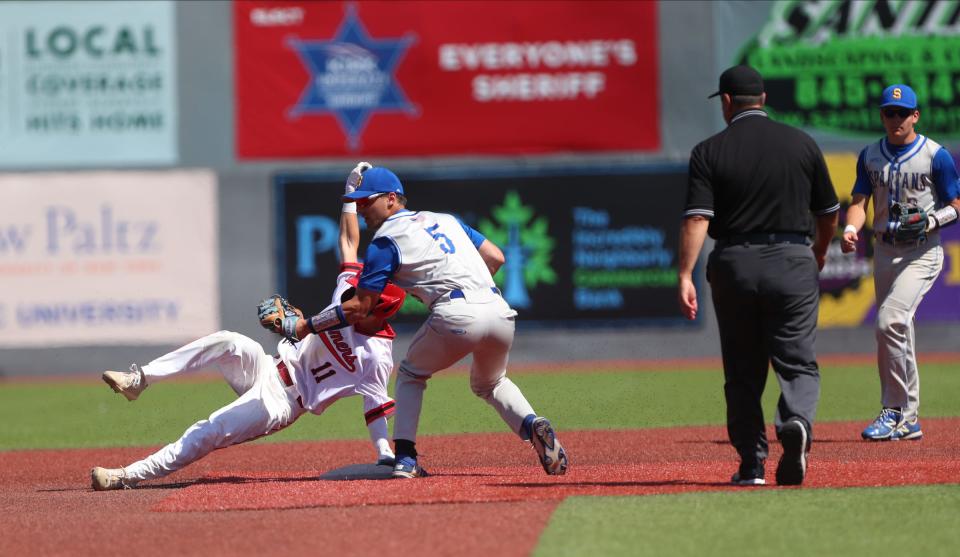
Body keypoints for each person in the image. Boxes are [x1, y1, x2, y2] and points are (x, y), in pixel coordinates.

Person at [90, 163, 404, 490]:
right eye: (356, 293)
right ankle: (140, 379)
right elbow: (348, 241)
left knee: (208, 430)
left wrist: (384, 455)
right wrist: (350, 195)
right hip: (269, 366)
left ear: (379, 312)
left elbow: (375, 408)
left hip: (282, 402)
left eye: (361, 302)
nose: (353, 299)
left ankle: (126, 476)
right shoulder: (351, 287)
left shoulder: (377, 356)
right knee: (229, 341)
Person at [280, 165, 568, 479]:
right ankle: (531, 423)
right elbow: (496, 257)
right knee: (490, 383)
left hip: (457, 314)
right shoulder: (446, 219)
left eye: (367, 201)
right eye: (358, 203)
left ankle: (404, 458)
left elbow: (360, 308)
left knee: (410, 374)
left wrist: (306, 326)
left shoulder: (385, 241)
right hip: (499, 311)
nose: (362, 208)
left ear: (391, 199)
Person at [678, 65, 840, 486]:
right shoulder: (802, 143)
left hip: (735, 263)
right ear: (763, 100)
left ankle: (752, 463)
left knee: (743, 369)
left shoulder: (709, 151)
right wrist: (819, 250)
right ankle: (797, 420)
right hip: (792, 258)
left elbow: (697, 219)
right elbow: (828, 212)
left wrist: (684, 274)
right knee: (797, 362)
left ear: (727, 102)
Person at [841, 84, 960, 442]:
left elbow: (956, 205)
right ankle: (909, 420)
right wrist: (850, 226)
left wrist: (931, 220)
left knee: (889, 320)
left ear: (915, 116)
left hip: (922, 251)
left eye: (903, 113)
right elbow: (859, 201)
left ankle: (893, 410)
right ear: (882, 115)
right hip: (884, 250)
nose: (896, 119)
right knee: (897, 331)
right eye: (889, 113)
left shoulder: (935, 155)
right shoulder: (870, 154)